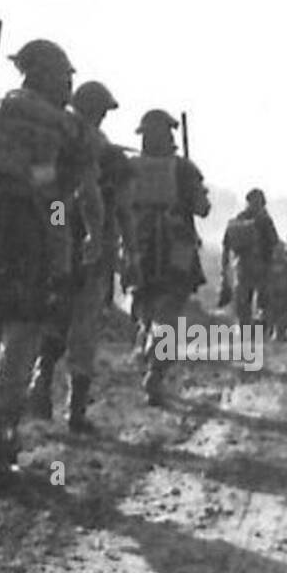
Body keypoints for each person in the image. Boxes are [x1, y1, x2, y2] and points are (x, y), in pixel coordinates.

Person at [0, 38, 101, 487]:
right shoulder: (58, 130)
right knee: (19, 348)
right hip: (28, 236)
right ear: (43, 76)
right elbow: (56, 196)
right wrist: (65, 250)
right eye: (64, 77)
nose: (68, 84)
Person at [25, 80, 131, 433]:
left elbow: (49, 192)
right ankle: (75, 411)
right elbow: (99, 201)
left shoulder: (56, 132)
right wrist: (100, 239)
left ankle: (40, 387)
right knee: (83, 328)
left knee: (56, 318)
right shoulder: (94, 145)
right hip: (86, 242)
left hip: (56, 237)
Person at [121, 109, 210, 405]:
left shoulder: (130, 167)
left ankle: (149, 351)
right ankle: (155, 374)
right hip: (176, 250)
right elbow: (202, 208)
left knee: (146, 310)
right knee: (168, 318)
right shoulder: (184, 168)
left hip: (140, 247)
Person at [218, 187, 279, 326]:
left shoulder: (239, 219)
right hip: (262, 266)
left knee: (243, 303)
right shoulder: (265, 220)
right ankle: (260, 333)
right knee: (263, 302)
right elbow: (274, 242)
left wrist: (225, 269)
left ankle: (246, 332)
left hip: (242, 266)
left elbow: (226, 244)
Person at [260, 239, 287, 342]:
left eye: (280, 250)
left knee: (281, 332)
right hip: (271, 302)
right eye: (276, 250)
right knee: (268, 331)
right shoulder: (267, 265)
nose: (278, 253)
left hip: (283, 302)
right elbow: (262, 285)